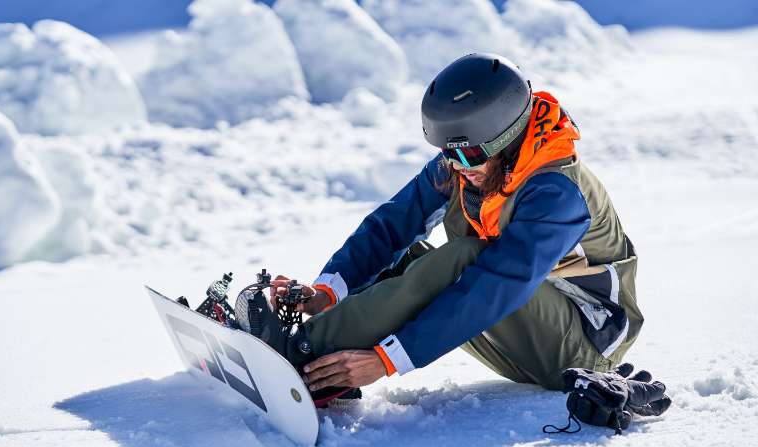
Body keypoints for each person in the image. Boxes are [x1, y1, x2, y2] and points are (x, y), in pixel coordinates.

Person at [250, 53, 644, 406]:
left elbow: (500, 282)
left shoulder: (556, 190)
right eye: (446, 152)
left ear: (505, 138)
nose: (455, 165)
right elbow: (391, 225)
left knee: (464, 259)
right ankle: (324, 367)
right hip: (519, 321)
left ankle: (302, 352)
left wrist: (388, 360)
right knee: (401, 261)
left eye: (466, 154)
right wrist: (328, 290)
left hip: (585, 348)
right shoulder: (472, 164)